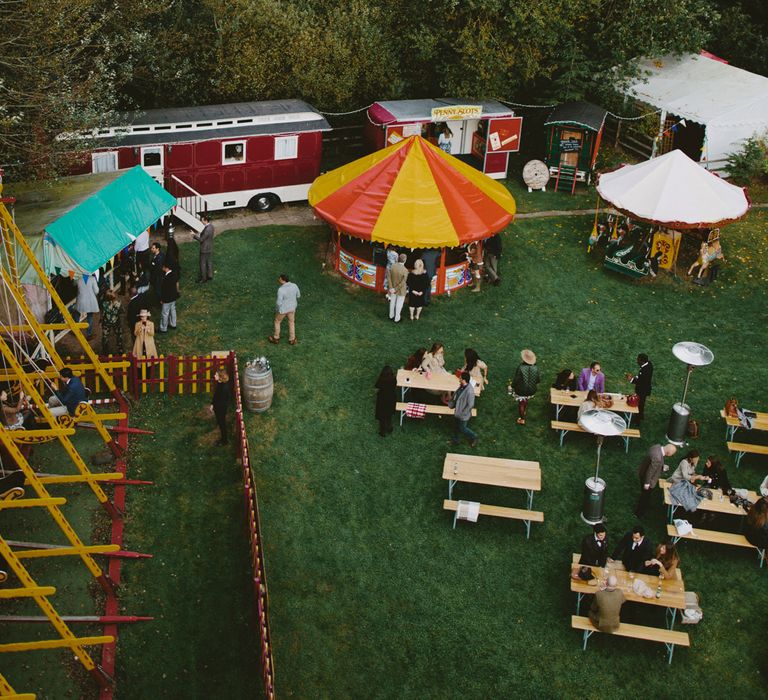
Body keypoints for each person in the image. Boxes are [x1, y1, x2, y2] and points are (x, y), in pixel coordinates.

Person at [635, 443, 677, 517]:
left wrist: (662, 467)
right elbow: (650, 471)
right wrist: (647, 483)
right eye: (672, 454)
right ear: (668, 453)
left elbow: (652, 463)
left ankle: (647, 504)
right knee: (644, 496)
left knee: (647, 495)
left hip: (643, 471)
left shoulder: (657, 447)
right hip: (647, 479)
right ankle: (639, 513)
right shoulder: (658, 458)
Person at [268, 274, 301, 345]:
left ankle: (276, 338)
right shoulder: (294, 285)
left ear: (283, 280)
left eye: (279, 279)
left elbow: (279, 302)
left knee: (277, 321)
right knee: (291, 322)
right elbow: (298, 295)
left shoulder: (281, 290)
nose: (278, 280)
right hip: (292, 308)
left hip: (283, 310)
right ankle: (292, 339)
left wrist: (277, 309)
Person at [511, 349, 540, 425]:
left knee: (521, 404)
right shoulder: (536, 368)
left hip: (521, 390)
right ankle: (524, 410)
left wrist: (511, 386)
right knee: (526, 399)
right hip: (532, 390)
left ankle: (522, 419)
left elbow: (516, 379)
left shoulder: (520, 367)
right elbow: (538, 380)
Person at [448, 371, 477, 447]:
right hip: (458, 412)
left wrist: (463, 413)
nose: (459, 379)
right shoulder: (462, 386)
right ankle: (456, 440)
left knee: (462, 428)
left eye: (460, 378)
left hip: (463, 415)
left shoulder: (469, 391)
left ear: (464, 380)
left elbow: (470, 405)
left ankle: (473, 436)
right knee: (456, 427)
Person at [626, 353, 653, 422]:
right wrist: (636, 377)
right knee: (642, 403)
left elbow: (640, 381)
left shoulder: (645, 370)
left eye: (638, 360)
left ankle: (637, 420)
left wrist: (631, 379)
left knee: (639, 404)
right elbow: (641, 377)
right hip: (645, 389)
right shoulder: (649, 364)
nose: (637, 361)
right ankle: (641, 416)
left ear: (642, 361)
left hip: (642, 391)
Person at [210, 368, 232, 446]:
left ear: (220, 377)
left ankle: (224, 440)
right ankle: (219, 423)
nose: (214, 375)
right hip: (218, 407)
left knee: (222, 424)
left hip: (221, 409)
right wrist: (212, 404)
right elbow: (216, 396)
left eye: (216, 375)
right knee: (220, 422)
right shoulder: (220, 384)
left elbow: (222, 401)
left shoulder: (224, 388)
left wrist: (215, 407)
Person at [76, 273, 100, 340]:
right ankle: (88, 334)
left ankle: (76, 331)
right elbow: (96, 291)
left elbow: (74, 285)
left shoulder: (78, 278)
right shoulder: (92, 279)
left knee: (77, 314)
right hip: (90, 300)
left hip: (81, 299)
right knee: (90, 316)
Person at [374, 365, 397, 437]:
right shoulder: (393, 379)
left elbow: (376, 386)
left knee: (382, 417)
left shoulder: (381, 380)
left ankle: (382, 431)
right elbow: (395, 385)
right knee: (389, 416)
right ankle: (389, 428)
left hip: (382, 400)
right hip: (391, 399)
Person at [101, 289, 124, 354]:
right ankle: (120, 350)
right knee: (119, 336)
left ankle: (105, 351)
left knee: (105, 336)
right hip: (116, 321)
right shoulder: (118, 303)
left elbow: (103, 313)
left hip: (106, 322)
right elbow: (122, 311)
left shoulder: (104, 304)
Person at [387, 253, 408, 323]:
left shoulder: (392, 266)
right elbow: (403, 283)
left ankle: (391, 316)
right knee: (399, 304)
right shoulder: (405, 270)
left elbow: (388, 276)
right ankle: (397, 318)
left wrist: (391, 288)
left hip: (392, 288)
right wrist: (395, 289)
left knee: (392, 302)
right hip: (400, 290)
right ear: (405, 261)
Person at [158, 261, 179, 333]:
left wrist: (162, 299)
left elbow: (165, 290)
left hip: (167, 298)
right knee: (173, 310)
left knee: (165, 313)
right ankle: (173, 324)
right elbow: (176, 284)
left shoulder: (166, 278)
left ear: (166, 268)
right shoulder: (174, 274)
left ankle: (163, 328)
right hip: (173, 296)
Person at [193, 215, 214, 283]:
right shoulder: (211, 226)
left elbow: (201, 240)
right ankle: (210, 275)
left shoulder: (207, 229)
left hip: (204, 249)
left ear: (205, 220)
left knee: (202, 263)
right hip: (209, 247)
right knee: (209, 262)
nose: (201, 221)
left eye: (202, 220)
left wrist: (194, 235)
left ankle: (203, 278)